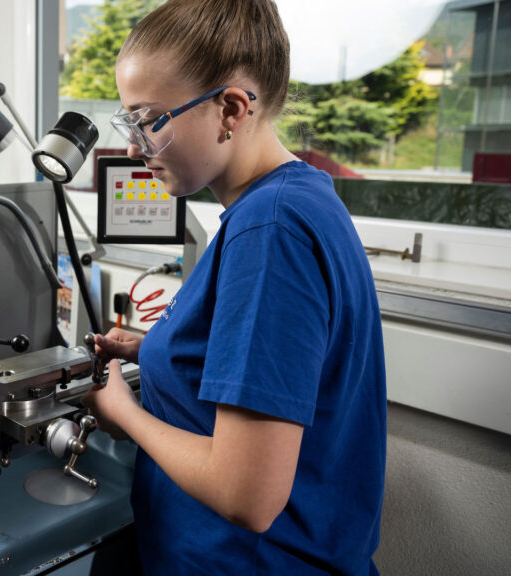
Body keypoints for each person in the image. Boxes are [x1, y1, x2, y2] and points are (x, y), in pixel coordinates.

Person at [81, 1, 387, 574]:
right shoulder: (301, 200)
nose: (133, 149)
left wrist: (124, 413)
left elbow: (247, 494)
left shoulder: (269, 231)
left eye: (150, 121)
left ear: (230, 108)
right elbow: (287, 372)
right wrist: (161, 352)